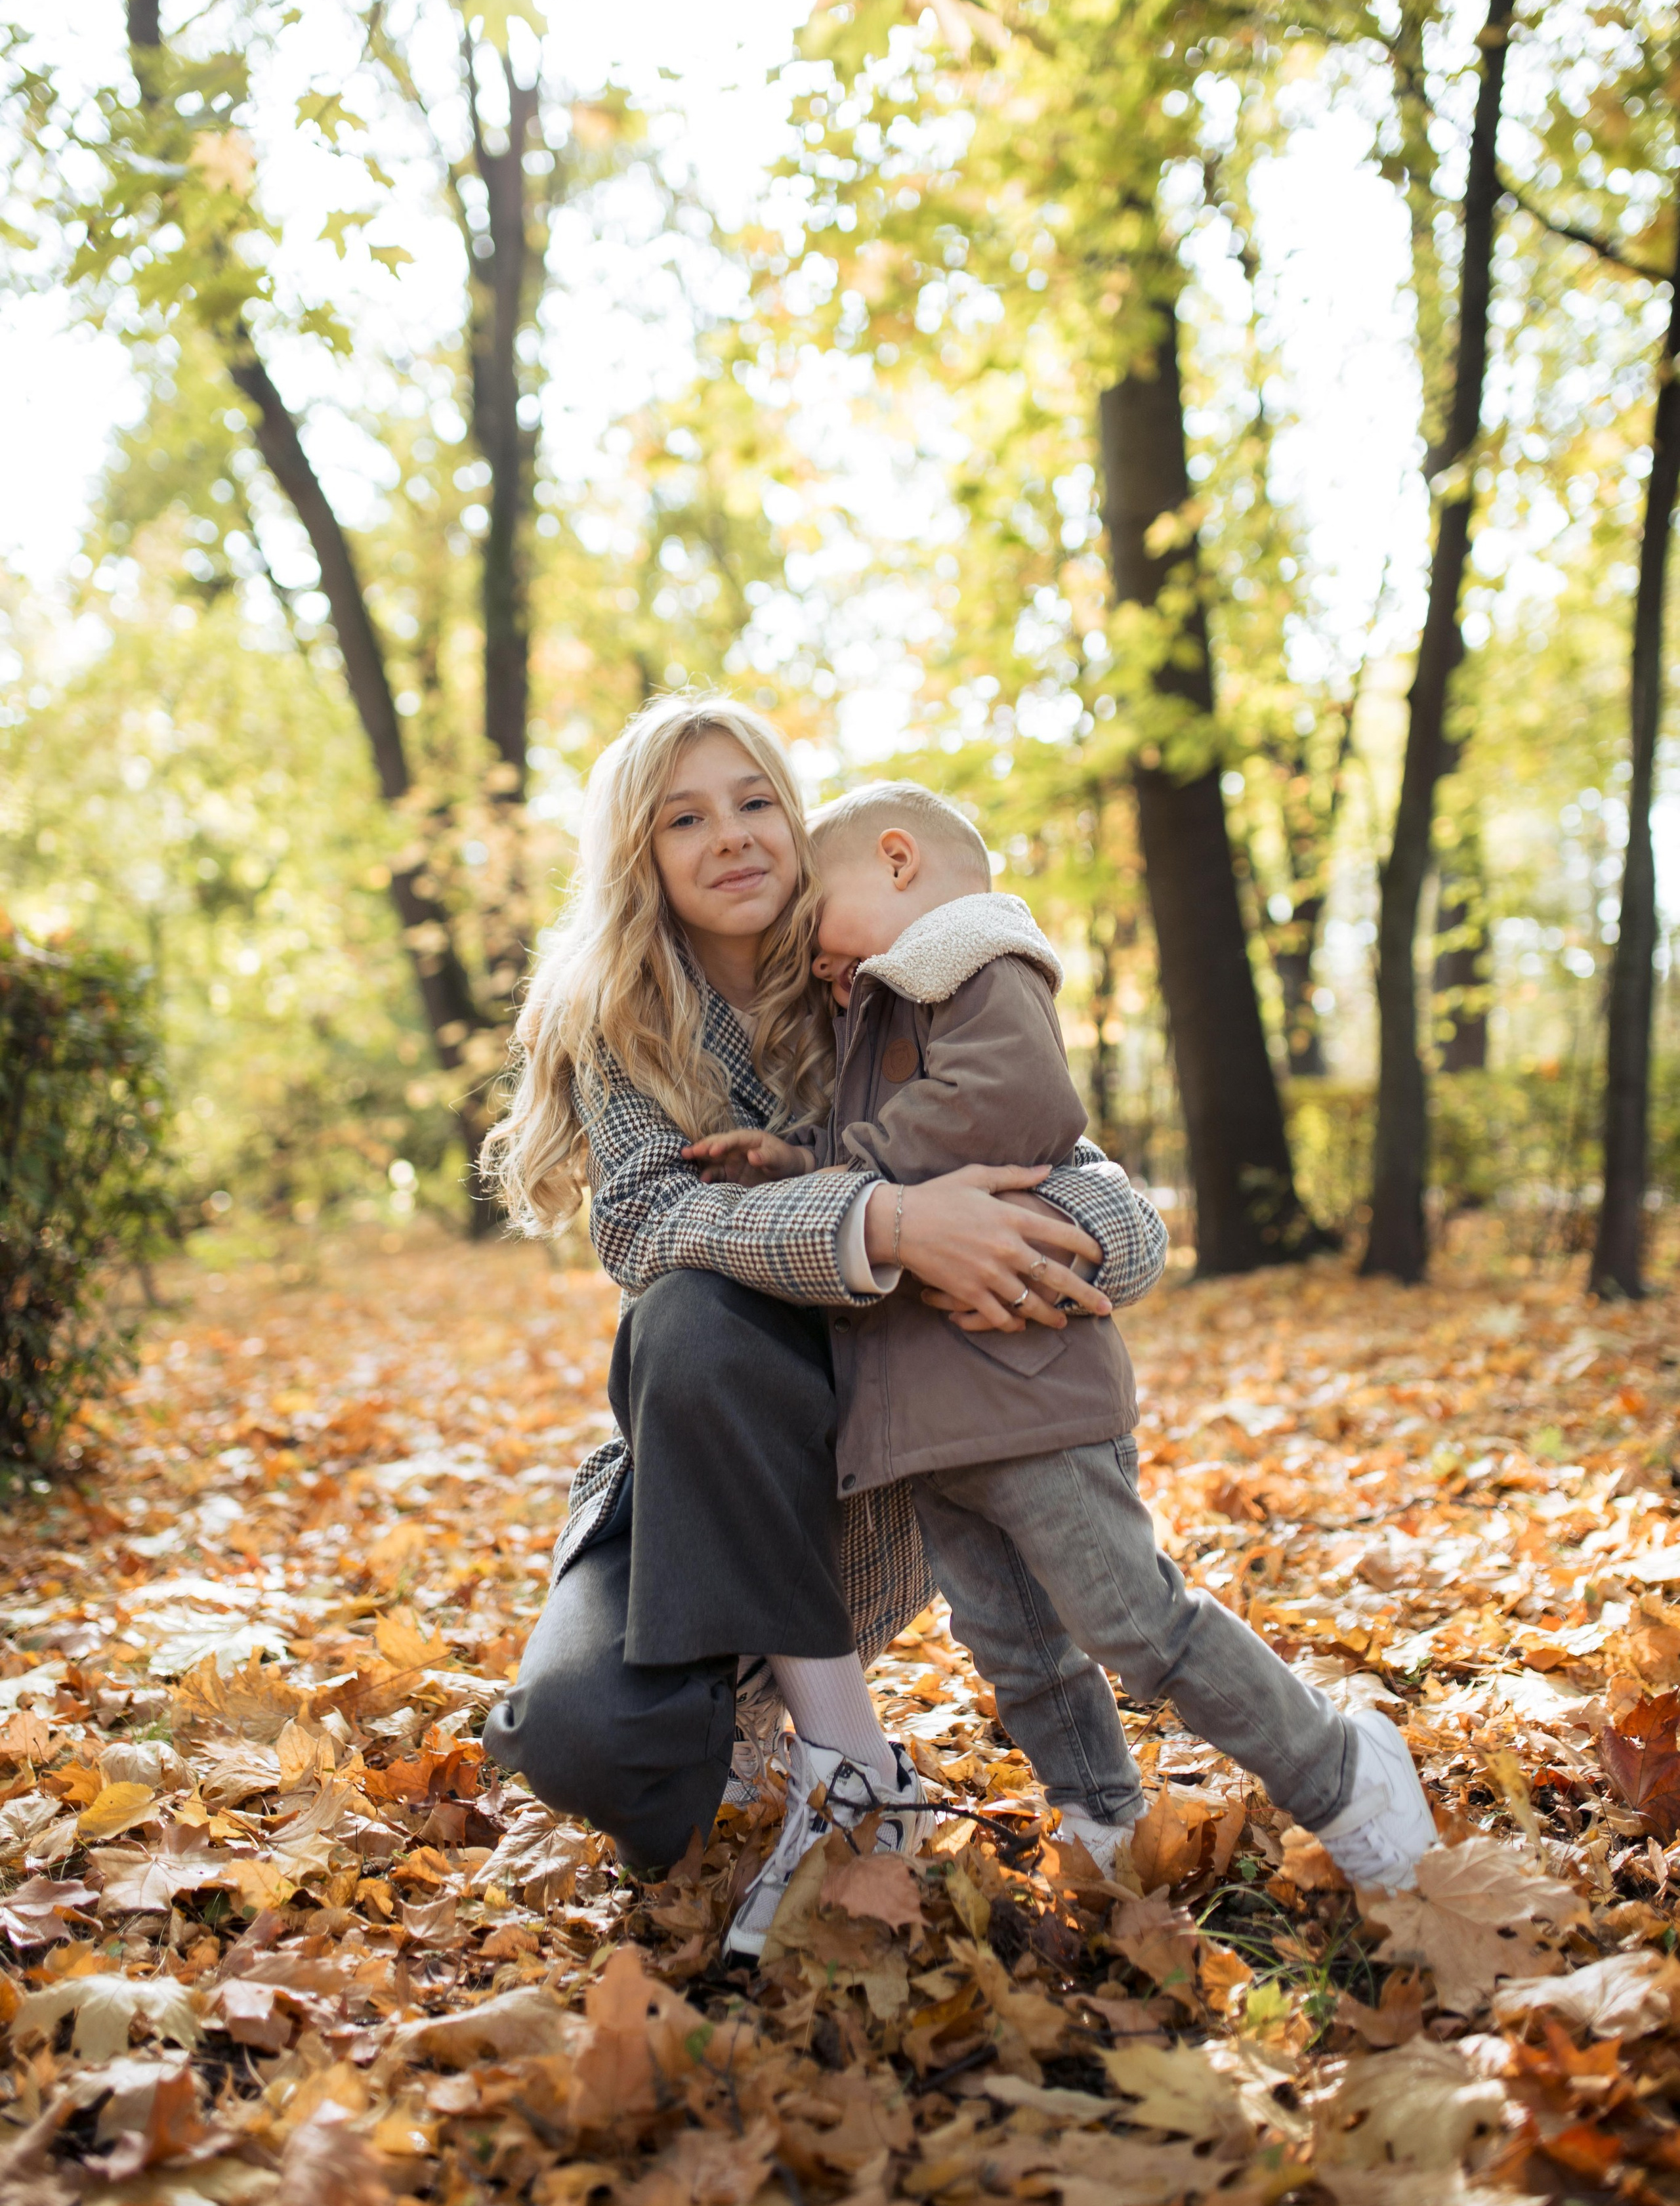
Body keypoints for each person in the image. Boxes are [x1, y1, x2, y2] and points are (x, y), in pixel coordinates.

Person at [688, 779, 1437, 1948]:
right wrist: (797, 1167)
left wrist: (842, 1173)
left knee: (1136, 1621)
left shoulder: (972, 965)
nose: (822, 966)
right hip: (933, 1425)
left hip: (1027, 1397)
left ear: (896, 863)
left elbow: (1013, 1102)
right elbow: (884, 1167)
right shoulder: (884, 1004)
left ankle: (1340, 1770)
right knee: (1020, 1652)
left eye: (822, 926)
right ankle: (1101, 1812)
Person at [479, 697, 1167, 1907]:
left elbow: (1105, 1196)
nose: (731, 836)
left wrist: (1017, 1241)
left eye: (755, 802)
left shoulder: (892, 971)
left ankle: (847, 1765)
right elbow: (645, 1222)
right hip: (702, 1464)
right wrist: (892, 1222)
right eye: (684, 817)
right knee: (584, 1737)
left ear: (798, 823)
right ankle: (781, 1720)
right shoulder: (622, 1020)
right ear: (639, 856)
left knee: (691, 1318)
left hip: (881, 1448)